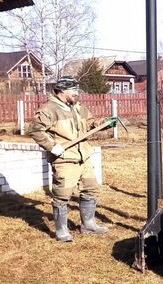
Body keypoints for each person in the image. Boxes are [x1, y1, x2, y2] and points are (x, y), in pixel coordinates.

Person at [29, 76, 108, 241]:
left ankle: (88, 224)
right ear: (62, 90)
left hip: (84, 156)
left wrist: (102, 123)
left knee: (90, 189)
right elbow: (36, 130)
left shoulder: (78, 107)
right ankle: (61, 230)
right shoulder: (49, 109)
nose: (77, 93)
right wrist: (52, 146)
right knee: (62, 195)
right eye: (74, 90)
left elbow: (90, 123)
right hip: (65, 158)